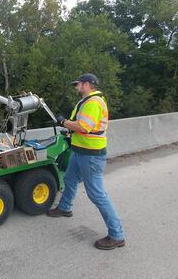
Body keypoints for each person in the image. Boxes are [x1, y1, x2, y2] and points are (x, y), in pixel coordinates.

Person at [47, 73, 125, 250]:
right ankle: (65, 208)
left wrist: (64, 122)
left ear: (88, 84)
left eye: (78, 84)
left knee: (97, 194)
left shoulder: (92, 103)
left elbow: (83, 127)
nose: (76, 87)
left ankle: (117, 235)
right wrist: (69, 129)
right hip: (80, 151)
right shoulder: (89, 101)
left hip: (90, 155)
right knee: (69, 179)